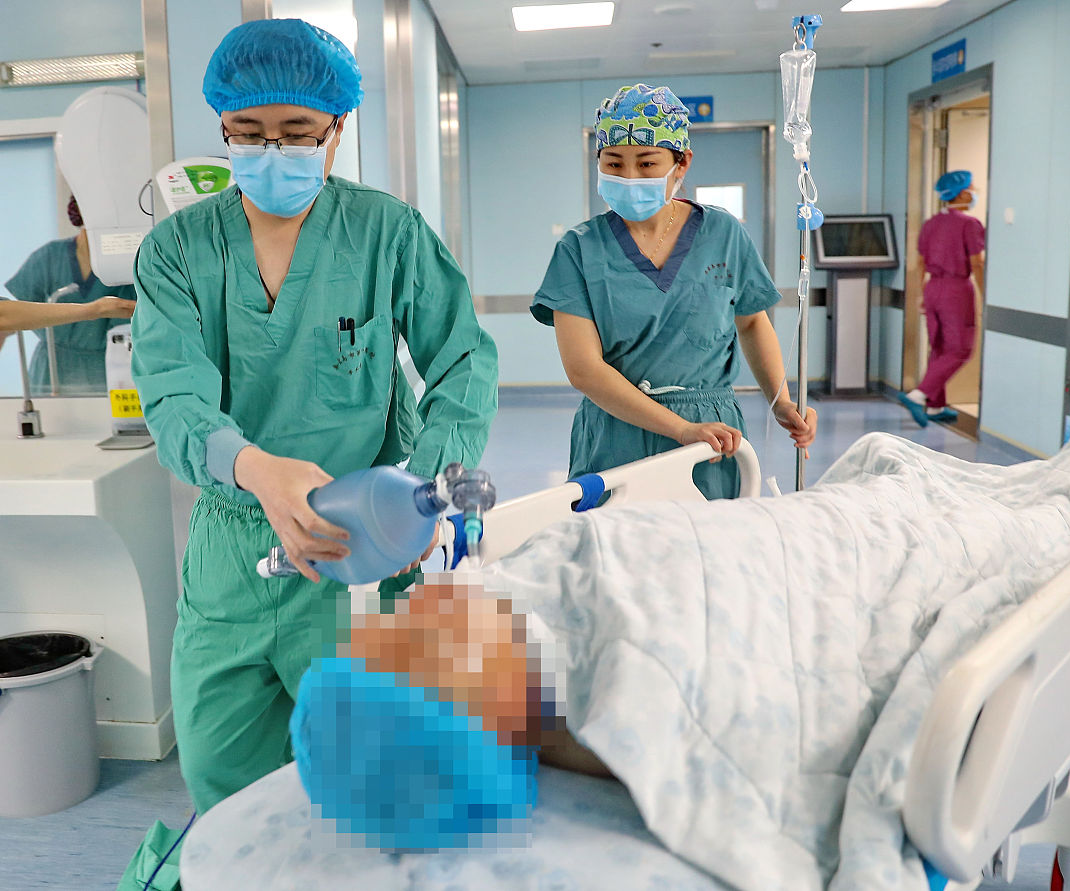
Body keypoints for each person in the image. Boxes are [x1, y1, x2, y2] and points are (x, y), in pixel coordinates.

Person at [128, 17, 499, 822]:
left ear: (336, 129)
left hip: (361, 535)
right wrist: (256, 469)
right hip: (233, 550)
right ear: (222, 126)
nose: (272, 151)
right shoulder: (177, 252)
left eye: (297, 133)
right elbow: (174, 396)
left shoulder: (386, 233)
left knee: (370, 783)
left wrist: (426, 488)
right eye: (247, 132)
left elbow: (464, 360)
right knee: (224, 778)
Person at [531, 84, 816, 499]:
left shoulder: (723, 234)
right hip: (616, 432)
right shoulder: (579, 250)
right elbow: (584, 370)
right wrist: (680, 429)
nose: (629, 177)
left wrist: (782, 402)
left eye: (647, 163)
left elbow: (752, 323)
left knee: (710, 535)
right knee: (616, 536)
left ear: (681, 163)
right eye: (614, 163)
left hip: (711, 437)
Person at [2, 196, 137, 393]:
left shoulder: (130, 263)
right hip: (52, 370)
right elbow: (10, 316)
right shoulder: (50, 257)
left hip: (111, 365)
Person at [899, 169, 985, 427]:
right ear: (962, 193)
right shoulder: (970, 225)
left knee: (939, 346)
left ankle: (936, 407)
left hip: (932, 288)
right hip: (956, 290)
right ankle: (919, 395)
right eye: (972, 188)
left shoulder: (931, 224)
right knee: (960, 349)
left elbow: (920, 263)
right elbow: (977, 263)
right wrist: (986, 294)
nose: (975, 193)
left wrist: (920, 295)